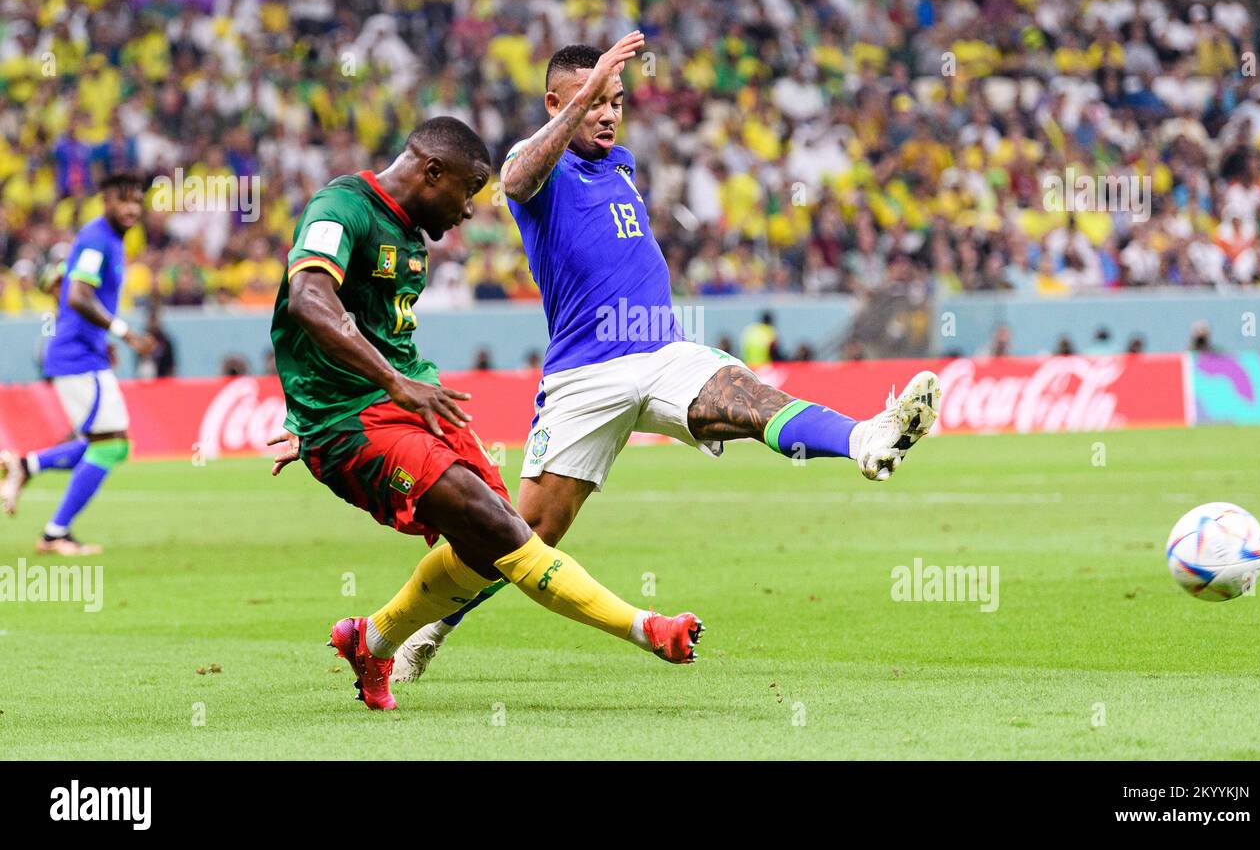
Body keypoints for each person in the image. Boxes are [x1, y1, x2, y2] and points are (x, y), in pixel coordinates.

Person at [391, 36, 940, 681]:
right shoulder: (535, 166)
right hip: (584, 377)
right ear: (554, 104)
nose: (606, 113)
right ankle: (432, 626)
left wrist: (598, 93)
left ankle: (866, 439)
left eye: (615, 101)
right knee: (524, 536)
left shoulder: (620, 166)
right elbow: (514, 178)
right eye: (593, 101)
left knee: (746, 398)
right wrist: (581, 100)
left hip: (661, 352)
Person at [265, 117, 702, 711]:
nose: (469, 211)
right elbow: (308, 297)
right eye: (468, 191)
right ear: (432, 172)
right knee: (497, 528)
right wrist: (334, 410)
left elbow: (365, 330)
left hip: (411, 401)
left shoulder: (412, 240)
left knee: (490, 540)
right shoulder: (341, 208)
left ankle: (372, 640)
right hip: (357, 419)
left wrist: (392, 385)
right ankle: (648, 629)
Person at [1, 172, 155, 554]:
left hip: (84, 351)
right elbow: (78, 297)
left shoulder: (109, 239)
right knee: (111, 444)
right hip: (76, 357)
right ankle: (55, 533)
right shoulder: (97, 238)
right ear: (106, 201)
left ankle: (26, 466)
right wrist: (124, 331)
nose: (133, 208)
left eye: (138, 200)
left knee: (102, 443)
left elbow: (61, 283)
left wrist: (100, 338)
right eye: (124, 200)